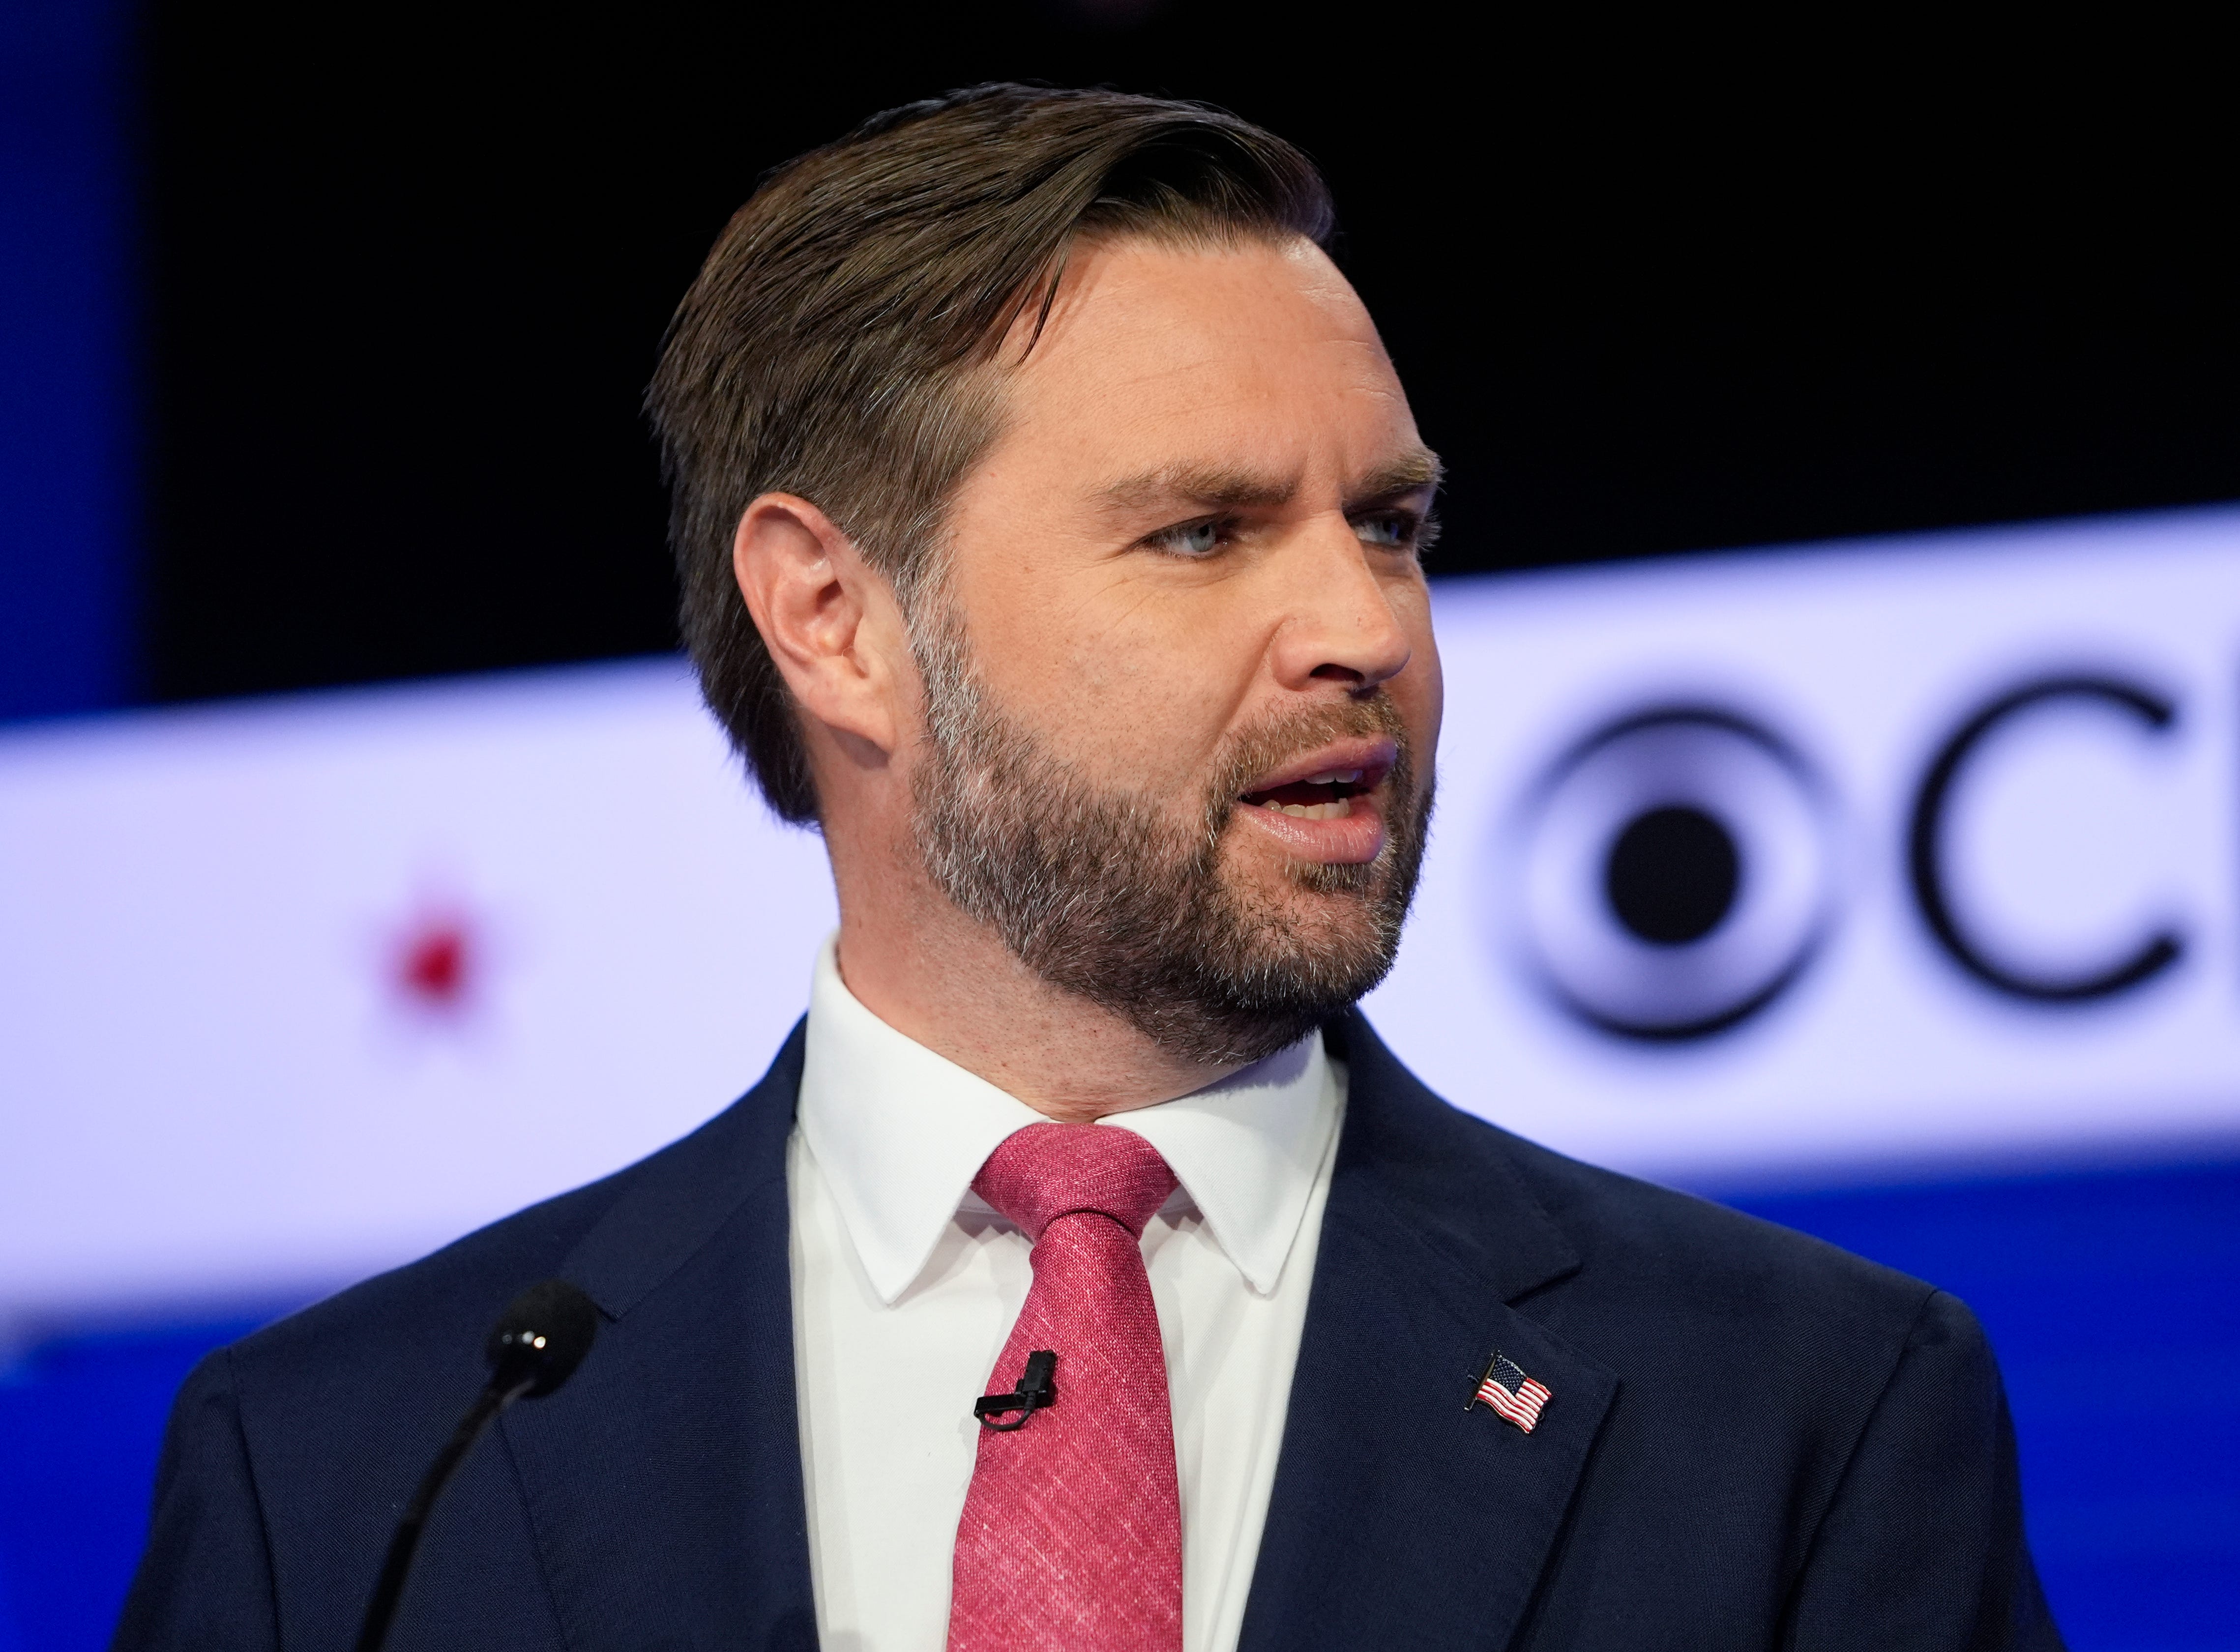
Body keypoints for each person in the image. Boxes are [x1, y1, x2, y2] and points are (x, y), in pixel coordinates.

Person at [114, 85, 2061, 1652]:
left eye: (1387, 526)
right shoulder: (358, 1473)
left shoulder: (1803, 1414)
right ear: (832, 617)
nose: (1358, 628)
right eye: (1204, 533)